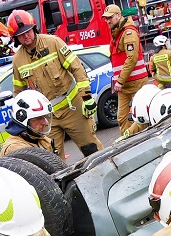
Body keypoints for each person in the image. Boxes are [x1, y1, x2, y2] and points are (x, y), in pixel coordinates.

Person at [8, 9, 102, 158]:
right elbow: (19, 93)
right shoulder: (18, 60)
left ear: (34, 28)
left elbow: (77, 68)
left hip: (72, 107)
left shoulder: (53, 42)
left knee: (92, 149)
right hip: (46, 117)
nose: (26, 35)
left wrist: (87, 97)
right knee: (52, 161)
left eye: (28, 31)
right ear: (15, 38)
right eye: (21, 34)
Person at [104, 3, 149, 135]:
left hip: (136, 83)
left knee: (142, 114)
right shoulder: (117, 32)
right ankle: (127, 142)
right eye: (106, 18)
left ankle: (142, 138)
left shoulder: (128, 33)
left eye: (110, 18)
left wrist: (120, 81)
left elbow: (132, 58)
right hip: (124, 86)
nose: (107, 21)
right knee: (122, 118)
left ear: (118, 16)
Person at [0, 89, 55, 156]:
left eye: (45, 117)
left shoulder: (39, 139)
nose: (45, 122)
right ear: (22, 119)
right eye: (38, 118)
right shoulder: (16, 149)